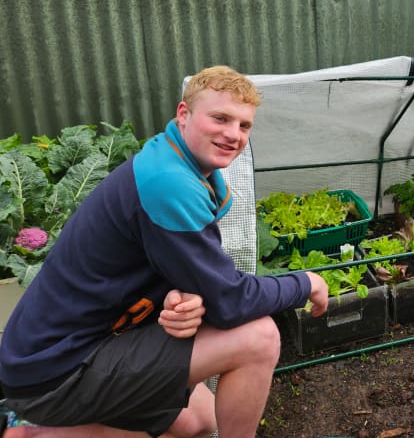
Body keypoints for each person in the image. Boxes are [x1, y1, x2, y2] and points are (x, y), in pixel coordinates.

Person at [0, 66, 329, 437]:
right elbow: (230, 301)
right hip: (54, 371)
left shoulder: (173, 160)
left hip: (65, 348)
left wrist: (175, 300)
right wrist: (307, 282)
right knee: (259, 338)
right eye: (220, 118)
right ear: (184, 115)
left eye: (243, 125)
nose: (233, 134)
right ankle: (32, 432)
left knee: (202, 422)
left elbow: (166, 268)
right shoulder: (169, 184)